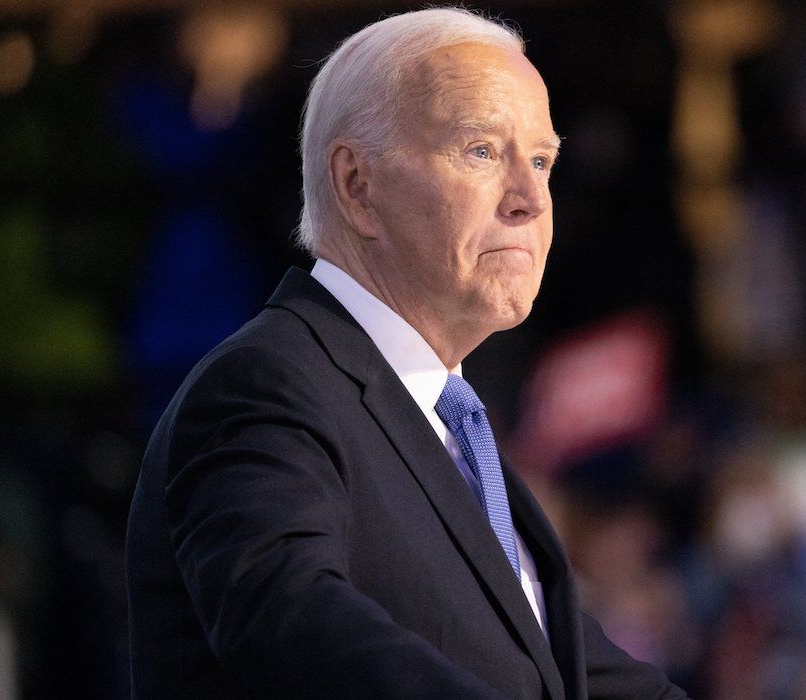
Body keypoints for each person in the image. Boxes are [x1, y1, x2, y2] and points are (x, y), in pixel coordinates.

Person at [125, 7, 688, 699]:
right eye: (482, 151)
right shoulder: (264, 386)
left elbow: (564, 672)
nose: (531, 200)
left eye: (541, 161)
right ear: (358, 186)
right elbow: (291, 626)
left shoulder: (451, 428)